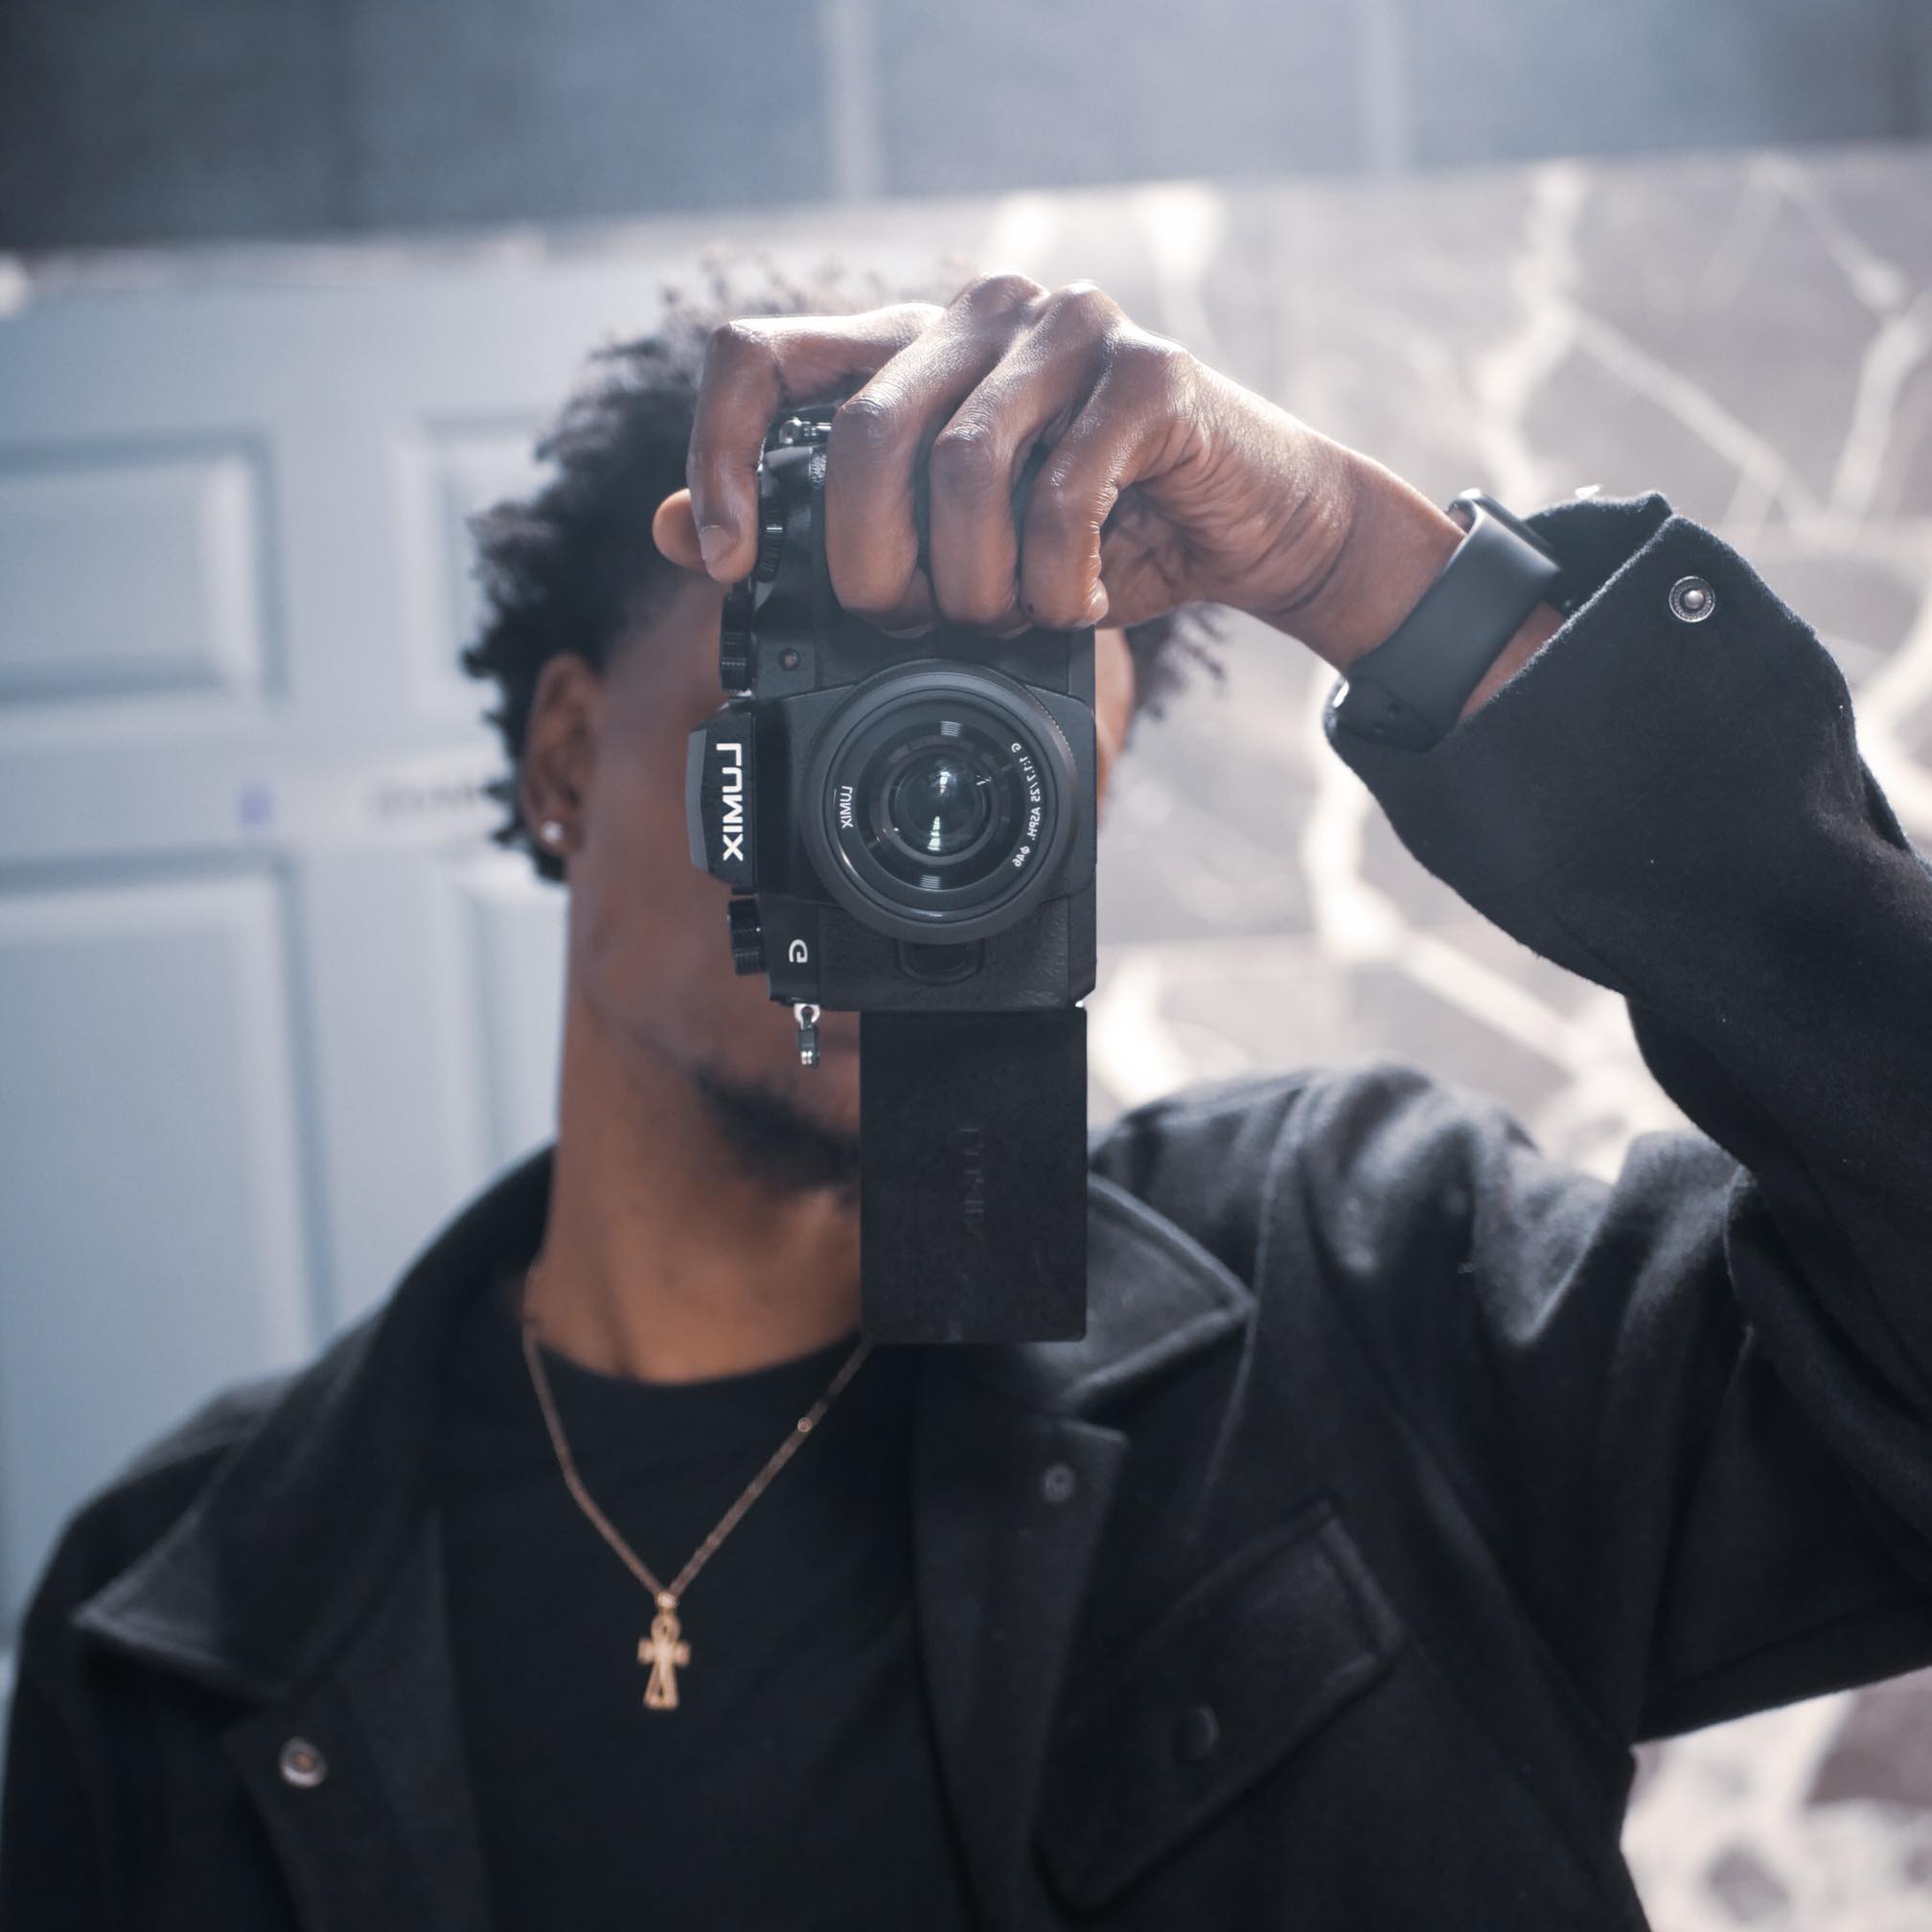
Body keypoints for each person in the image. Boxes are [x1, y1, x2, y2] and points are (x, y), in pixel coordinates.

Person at [4, 265, 1930, 1932]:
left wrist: (1364, 567)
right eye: (822, 727)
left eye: (994, 760)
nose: (910, 844)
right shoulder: (181, 1610)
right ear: (571, 757)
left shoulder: (1370, 1284)